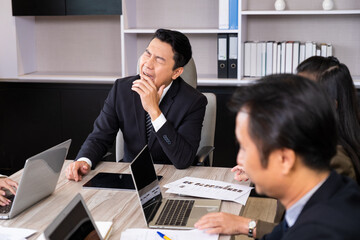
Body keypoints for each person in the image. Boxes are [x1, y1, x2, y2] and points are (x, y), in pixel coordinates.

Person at [200, 57, 360, 239]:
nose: (239, 159)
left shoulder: (317, 231)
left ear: (284, 159)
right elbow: (283, 231)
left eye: (245, 148)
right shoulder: (328, 190)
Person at [66, 29, 207, 181]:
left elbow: (183, 160)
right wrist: (84, 160)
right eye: (147, 53)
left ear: (176, 72)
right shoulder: (122, 89)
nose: (148, 64)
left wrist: (154, 110)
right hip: (130, 177)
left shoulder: (193, 101)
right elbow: (99, 137)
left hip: (171, 179)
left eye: (159, 60)